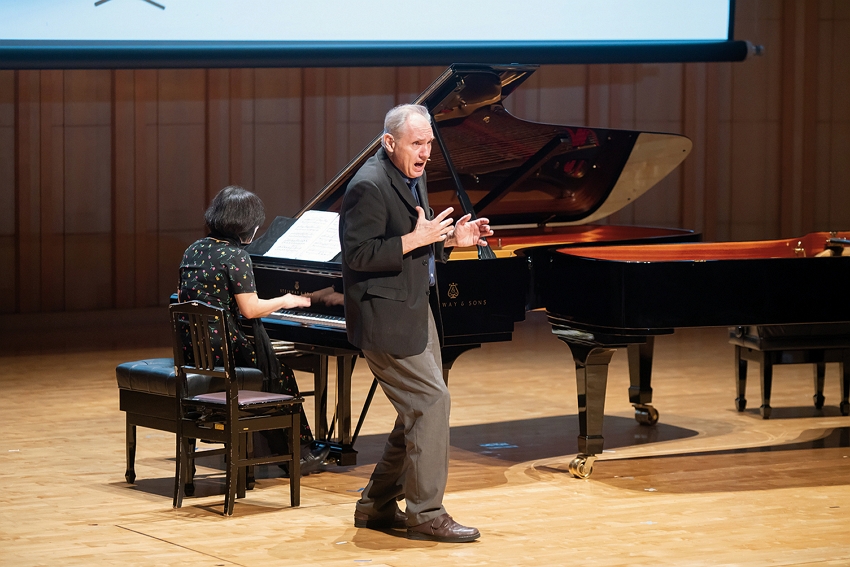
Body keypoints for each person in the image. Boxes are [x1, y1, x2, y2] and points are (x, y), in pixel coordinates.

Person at [339, 104, 493, 543]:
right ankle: (425, 512)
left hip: (413, 307)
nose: (425, 154)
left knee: (418, 411)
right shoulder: (368, 185)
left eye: (429, 144)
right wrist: (418, 238)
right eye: (417, 144)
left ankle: (375, 505)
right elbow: (358, 255)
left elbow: (417, 246)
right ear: (390, 143)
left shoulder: (411, 175)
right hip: (383, 315)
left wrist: (451, 240)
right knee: (431, 402)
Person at [178, 185, 330, 475]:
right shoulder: (236, 256)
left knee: (275, 367)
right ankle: (296, 454)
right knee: (281, 375)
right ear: (246, 226)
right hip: (224, 354)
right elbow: (250, 310)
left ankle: (280, 450)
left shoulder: (193, 249)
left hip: (195, 351)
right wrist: (285, 300)